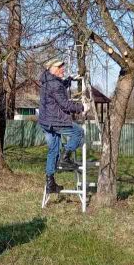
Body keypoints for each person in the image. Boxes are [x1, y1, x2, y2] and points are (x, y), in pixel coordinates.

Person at [38, 57, 88, 194]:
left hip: (45, 122)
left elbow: (57, 91)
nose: (63, 69)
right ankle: (65, 157)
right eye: (60, 67)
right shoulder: (55, 84)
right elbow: (65, 104)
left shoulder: (47, 81)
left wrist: (68, 81)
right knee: (78, 132)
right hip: (55, 121)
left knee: (53, 151)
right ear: (53, 69)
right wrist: (82, 107)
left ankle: (50, 184)